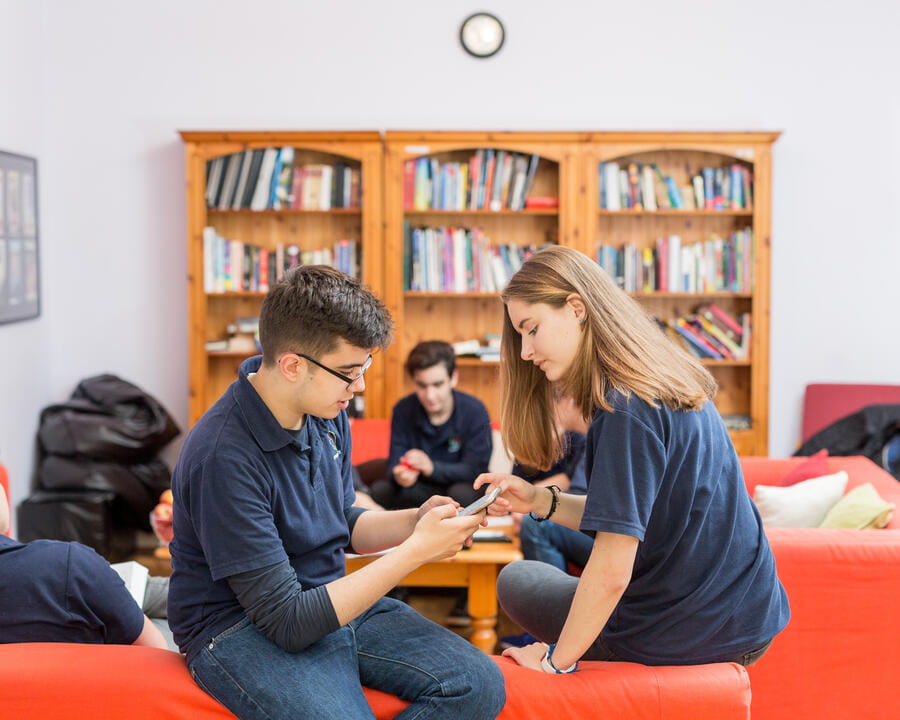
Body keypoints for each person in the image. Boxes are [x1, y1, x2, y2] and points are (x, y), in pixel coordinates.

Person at [167, 266, 504, 720]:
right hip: (238, 625)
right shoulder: (222, 456)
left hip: (325, 598)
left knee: (478, 683)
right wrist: (414, 553)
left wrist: (414, 522)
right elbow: (287, 621)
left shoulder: (324, 408)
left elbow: (339, 520)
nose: (360, 386)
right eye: (349, 372)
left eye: (363, 368)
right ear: (292, 365)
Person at [474, 245, 789, 674]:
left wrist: (555, 662)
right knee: (537, 578)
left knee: (516, 581)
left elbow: (611, 573)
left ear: (576, 308)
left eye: (531, 329)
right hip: (747, 611)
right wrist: (537, 500)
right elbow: (627, 514)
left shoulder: (623, 406)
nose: (526, 351)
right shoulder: (658, 373)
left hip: (684, 628)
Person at [0, 483, 167, 649]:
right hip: (131, 663)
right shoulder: (67, 562)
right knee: (183, 605)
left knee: (158, 593)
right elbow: (157, 650)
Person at [369, 340, 493, 510]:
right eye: (422, 385)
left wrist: (431, 467)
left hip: (459, 488)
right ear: (413, 381)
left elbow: (474, 470)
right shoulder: (403, 409)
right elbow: (393, 463)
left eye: (437, 384)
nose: (430, 395)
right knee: (381, 490)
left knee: (461, 493)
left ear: (453, 378)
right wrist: (400, 475)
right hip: (418, 488)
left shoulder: (475, 410)